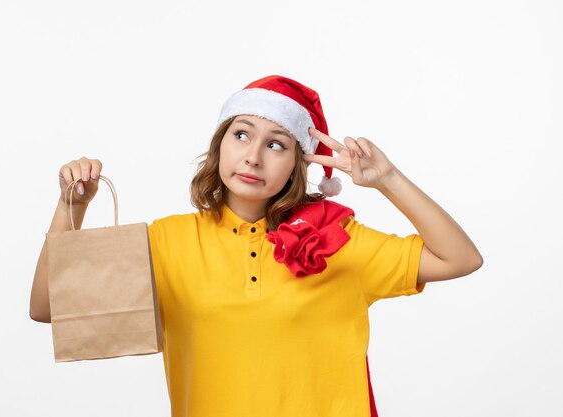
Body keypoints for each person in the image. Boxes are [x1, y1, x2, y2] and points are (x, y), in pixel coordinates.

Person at [30, 75, 483, 417]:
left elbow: (461, 258)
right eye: (241, 134)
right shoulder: (166, 241)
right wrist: (72, 206)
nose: (253, 155)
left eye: (277, 144)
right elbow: (50, 307)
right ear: (219, 146)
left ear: (297, 164)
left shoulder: (337, 241)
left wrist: (388, 181)